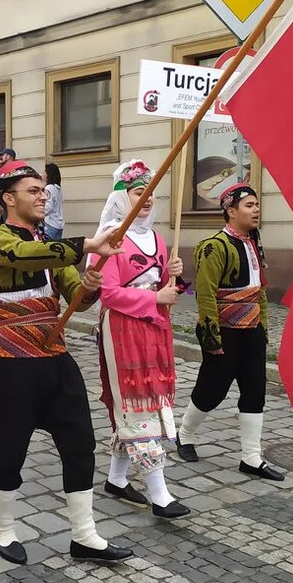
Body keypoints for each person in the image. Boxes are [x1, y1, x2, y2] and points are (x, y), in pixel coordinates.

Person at [0, 159, 133, 566]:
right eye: (32, 190)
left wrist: (89, 286)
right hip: (14, 365)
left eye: (42, 189)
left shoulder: (47, 243)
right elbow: (24, 255)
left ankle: (84, 535)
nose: (42, 195)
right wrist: (87, 245)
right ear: (9, 198)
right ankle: (4, 528)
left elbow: (76, 301)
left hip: (57, 361)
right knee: (11, 450)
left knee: (80, 444)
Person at [90, 160, 189, 518]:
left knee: (149, 397)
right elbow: (109, 294)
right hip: (122, 329)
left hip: (154, 329)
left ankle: (116, 480)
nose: (147, 199)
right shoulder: (112, 238)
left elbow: (165, 287)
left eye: (150, 193)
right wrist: (155, 298)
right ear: (122, 198)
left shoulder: (160, 239)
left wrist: (172, 278)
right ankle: (160, 494)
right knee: (136, 402)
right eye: (138, 192)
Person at [175, 183, 283, 481]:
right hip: (223, 329)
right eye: (249, 205)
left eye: (257, 204)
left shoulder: (253, 242)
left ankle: (251, 457)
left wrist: (262, 326)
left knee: (254, 390)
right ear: (230, 211)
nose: (256, 210)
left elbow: (260, 288)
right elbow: (205, 294)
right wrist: (211, 337)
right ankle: (184, 433)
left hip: (251, 329)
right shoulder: (214, 247)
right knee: (213, 389)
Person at [43, 162, 64, 240]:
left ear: (48, 174)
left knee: (48, 250)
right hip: (59, 224)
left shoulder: (49, 188)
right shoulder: (58, 188)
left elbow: (48, 207)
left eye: (44, 172)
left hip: (50, 224)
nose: (42, 175)